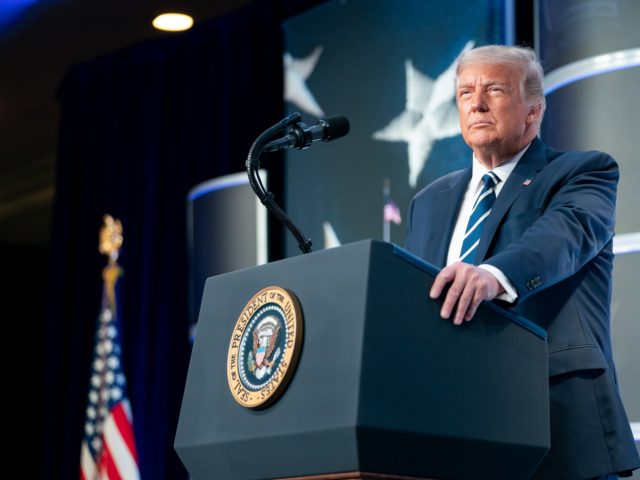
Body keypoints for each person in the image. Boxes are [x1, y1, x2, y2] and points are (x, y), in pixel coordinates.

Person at [405, 44, 639, 479]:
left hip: (554, 426)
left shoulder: (582, 172)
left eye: (493, 89)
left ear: (534, 109)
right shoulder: (429, 201)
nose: (475, 103)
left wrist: (493, 275)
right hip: (451, 428)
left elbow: (562, 236)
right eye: (464, 93)